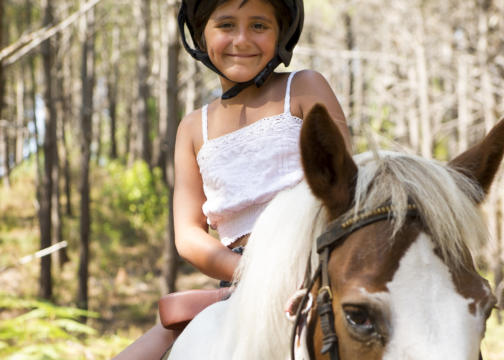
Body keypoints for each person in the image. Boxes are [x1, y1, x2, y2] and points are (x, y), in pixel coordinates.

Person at [114, 0, 350, 358]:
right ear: (201, 35)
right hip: (240, 274)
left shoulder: (303, 89)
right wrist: (250, 272)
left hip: (313, 263)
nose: (242, 39)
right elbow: (190, 235)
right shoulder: (194, 127)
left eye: (259, 25)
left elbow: (343, 184)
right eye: (226, 25)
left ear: (280, 34)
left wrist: (289, 270)